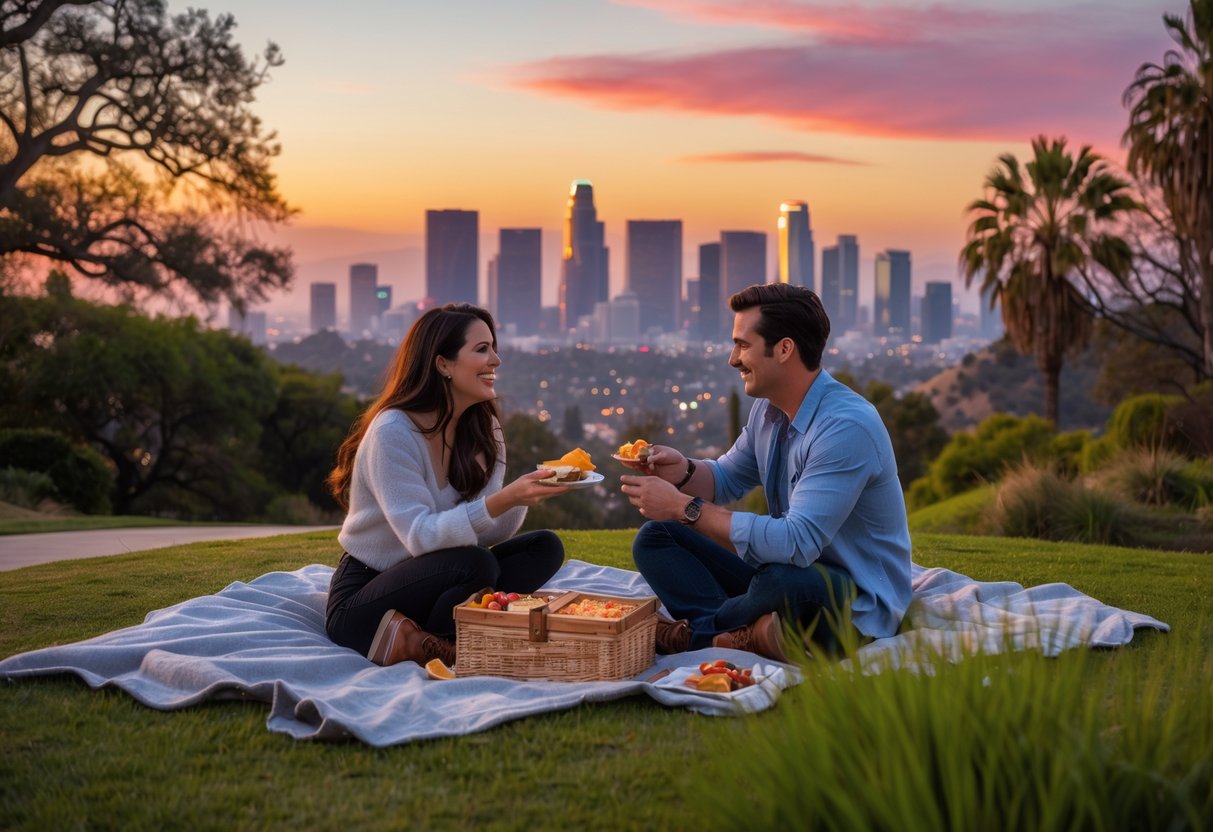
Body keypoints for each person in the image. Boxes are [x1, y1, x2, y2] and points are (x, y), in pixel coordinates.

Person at [620, 283, 911, 662]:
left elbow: (796, 544)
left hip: (851, 602)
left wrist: (684, 508)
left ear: (785, 349)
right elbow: (725, 479)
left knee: (782, 580)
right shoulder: (769, 410)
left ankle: (692, 635)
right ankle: (747, 635)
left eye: (743, 345)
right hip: (785, 571)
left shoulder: (845, 427)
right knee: (656, 537)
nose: (733, 359)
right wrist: (683, 470)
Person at [325, 303, 568, 668]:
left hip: (442, 574)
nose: (496, 361)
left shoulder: (484, 430)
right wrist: (503, 499)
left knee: (544, 547)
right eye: (482, 349)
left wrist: (522, 497)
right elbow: (420, 537)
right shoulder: (393, 432)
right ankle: (447, 642)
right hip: (365, 599)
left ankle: (436, 632)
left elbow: (489, 532)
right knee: (475, 564)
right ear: (443, 364)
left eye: (494, 347)